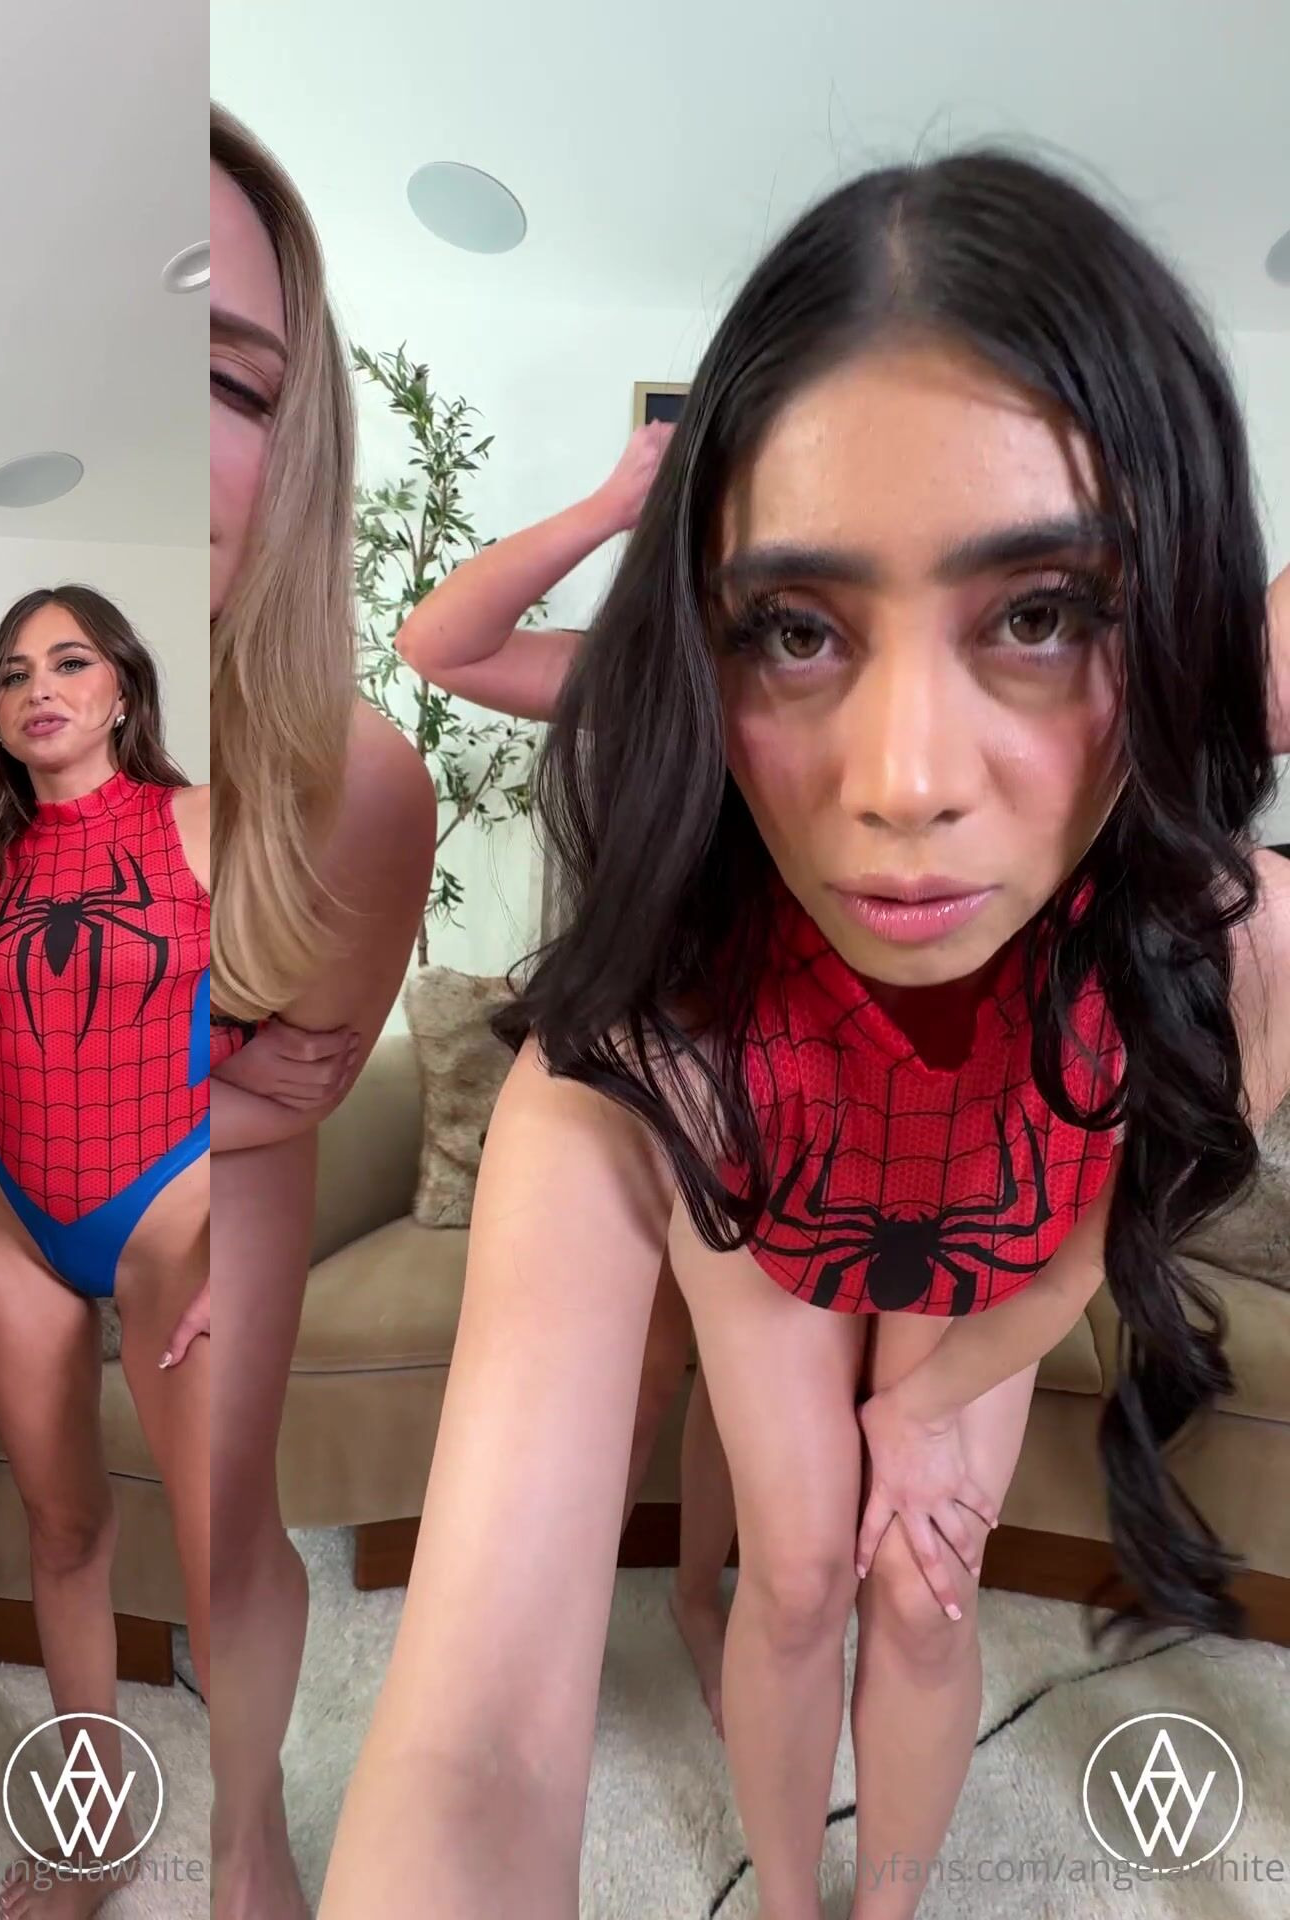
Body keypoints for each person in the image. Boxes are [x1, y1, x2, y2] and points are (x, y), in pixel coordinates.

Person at [325, 152, 1290, 1920]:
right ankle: (788, 1898)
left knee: (924, 1585)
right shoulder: (643, 1058)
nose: (905, 784)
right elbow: (471, 1748)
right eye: (797, 629)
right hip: (769, 1172)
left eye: (1038, 613)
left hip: (993, 1236)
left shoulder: (1236, 945)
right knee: (794, 1577)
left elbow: (1110, 1227)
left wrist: (929, 1406)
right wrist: (623, 497)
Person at [392, 421, 744, 1727]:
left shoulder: (818, 672)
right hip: (614, 1064)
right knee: (627, 1376)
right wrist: (612, 500)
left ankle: (699, 1598)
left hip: (768, 1070)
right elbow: (437, 644)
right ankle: (555, 1637)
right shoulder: (628, 669)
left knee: (737, 1382)